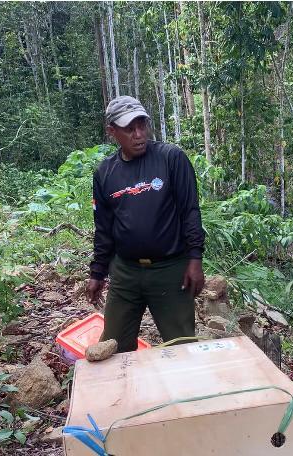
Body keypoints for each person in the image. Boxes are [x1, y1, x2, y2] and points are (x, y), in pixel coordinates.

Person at [85, 95, 205, 352]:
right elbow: (104, 228)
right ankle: (124, 392)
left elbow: (190, 211)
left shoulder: (171, 158)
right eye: (129, 128)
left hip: (170, 271)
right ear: (112, 131)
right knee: (112, 348)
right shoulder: (105, 173)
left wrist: (195, 259)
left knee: (183, 347)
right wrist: (97, 272)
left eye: (142, 125)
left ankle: (184, 391)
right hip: (125, 274)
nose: (138, 134)